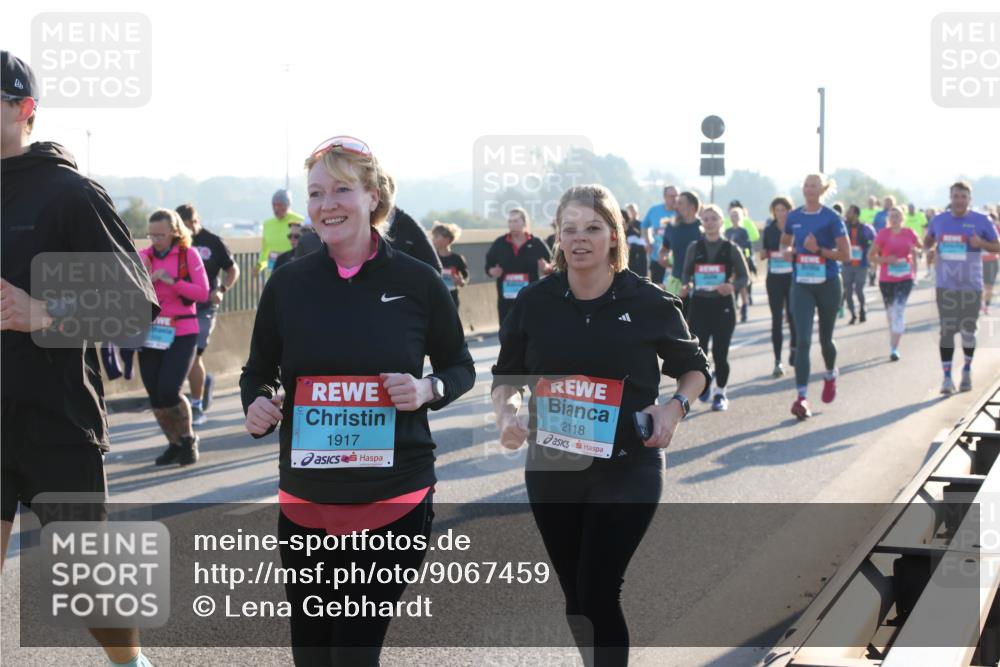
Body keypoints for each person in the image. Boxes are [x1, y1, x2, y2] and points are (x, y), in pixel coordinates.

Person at [241, 135, 475, 666]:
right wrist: (257, 402)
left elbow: (460, 367)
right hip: (307, 499)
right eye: (317, 193)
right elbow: (259, 370)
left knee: (353, 651)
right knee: (312, 651)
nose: (327, 205)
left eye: (342, 190)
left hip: (392, 497)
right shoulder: (288, 283)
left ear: (374, 197)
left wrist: (426, 390)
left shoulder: (418, 282)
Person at [491, 183, 709, 667]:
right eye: (569, 229)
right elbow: (506, 376)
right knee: (576, 598)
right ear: (558, 237)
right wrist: (505, 413)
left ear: (614, 235)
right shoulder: (535, 302)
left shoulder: (650, 301)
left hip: (627, 464)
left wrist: (673, 410)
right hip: (552, 466)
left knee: (598, 589)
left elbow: (696, 368)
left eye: (592, 228)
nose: (579, 239)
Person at [1, 50, 158, 667]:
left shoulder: (70, 194)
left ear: (24, 109)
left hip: (55, 418)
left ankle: (132, 665)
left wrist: (43, 312)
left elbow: (136, 310)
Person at [139, 209, 210, 466]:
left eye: (160, 234)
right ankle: (174, 443)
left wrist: (171, 281)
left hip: (182, 330)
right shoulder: (144, 257)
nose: (155, 239)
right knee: (155, 395)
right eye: (151, 234)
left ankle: (189, 438)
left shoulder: (187, 255)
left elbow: (203, 293)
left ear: (174, 232)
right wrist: (145, 275)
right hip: (151, 332)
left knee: (169, 390)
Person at [780, 174, 851, 419]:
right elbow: (785, 243)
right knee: (802, 341)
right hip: (802, 283)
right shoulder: (794, 216)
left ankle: (830, 373)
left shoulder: (831, 218)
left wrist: (818, 250)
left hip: (828, 282)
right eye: (806, 185)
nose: (809, 189)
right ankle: (801, 397)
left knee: (825, 339)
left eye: (814, 185)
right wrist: (788, 252)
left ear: (822, 189)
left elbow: (845, 254)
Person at [924, 181, 1000, 394]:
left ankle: (966, 369)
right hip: (945, 284)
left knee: (967, 332)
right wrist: (929, 250)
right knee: (947, 331)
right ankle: (947, 377)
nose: (959, 200)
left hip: (970, 285)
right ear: (950, 198)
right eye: (956, 196)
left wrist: (981, 244)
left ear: (969, 199)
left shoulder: (981, 220)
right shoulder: (939, 220)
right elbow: (928, 240)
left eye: (963, 197)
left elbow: (998, 246)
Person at [681, 204, 750, 411]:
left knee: (720, 353)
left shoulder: (731, 248)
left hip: (723, 306)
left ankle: (721, 393)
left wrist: (732, 286)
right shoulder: (694, 247)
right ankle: (706, 383)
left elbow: (745, 277)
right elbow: (685, 273)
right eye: (706, 219)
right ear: (702, 223)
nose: (710, 222)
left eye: (714, 219)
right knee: (700, 353)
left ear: (721, 222)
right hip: (700, 304)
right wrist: (687, 285)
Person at [176, 203, 239, 425]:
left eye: (191, 223)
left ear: (197, 220)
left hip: (205, 305)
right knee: (182, 355)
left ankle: (196, 405)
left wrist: (221, 291)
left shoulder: (212, 241)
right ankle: (204, 382)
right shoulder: (175, 244)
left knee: (193, 352)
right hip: (180, 307)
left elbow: (233, 269)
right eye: (183, 225)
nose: (189, 228)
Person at [869, 206, 922, 361]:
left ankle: (894, 348)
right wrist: (886, 260)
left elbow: (920, 248)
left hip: (905, 277)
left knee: (898, 310)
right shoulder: (883, 234)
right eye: (891, 216)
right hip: (887, 279)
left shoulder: (909, 233)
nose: (894, 218)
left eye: (897, 215)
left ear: (902, 217)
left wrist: (917, 252)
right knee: (891, 313)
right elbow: (871, 256)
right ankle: (893, 336)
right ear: (888, 219)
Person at [485, 207, 553, 325]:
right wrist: (492, 271)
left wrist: (546, 268)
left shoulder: (536, 242)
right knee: (507, 333)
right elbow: (488, 266)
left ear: (524, 222)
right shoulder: (500, 243)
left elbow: (553, 264)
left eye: (516, 221)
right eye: (510, 221)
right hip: (506, 299)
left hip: (530, 297)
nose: (512, 225)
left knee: (530, 330)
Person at [760, 196, 797, 377]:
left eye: (784, 210)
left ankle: (794, 348)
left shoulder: (795, 229)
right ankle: (777, 360)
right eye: (778, 210)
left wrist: (793, 252)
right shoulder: (769, 230)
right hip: (774, 278)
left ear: (790, 211)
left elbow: (803, 250)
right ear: (773, 212)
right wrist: (764, 253)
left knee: (792, 316)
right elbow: (763, 251)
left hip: (792, 277)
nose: (781, 213)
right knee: (776, 319)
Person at [658, 191, 705, 302]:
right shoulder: (672, 226)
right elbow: (664, 249)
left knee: (695, 319)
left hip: (700, 283)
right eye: (676, 203)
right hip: (676, 284)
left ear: (692, 207)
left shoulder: (704, 228)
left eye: (680, 203)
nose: (675, 206)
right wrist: (662, 257)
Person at [256, 189, 305, 279]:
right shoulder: (267, 224)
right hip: (272, 273)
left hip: (293, 272)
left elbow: (307, 248)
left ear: (288, 205)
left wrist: (283, 256)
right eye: (274, 205)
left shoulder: (301, 221)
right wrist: (257, 268)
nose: (276, 208)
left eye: (280, 205)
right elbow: (264, 251)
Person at [841, 205, 876, 324]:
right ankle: (853, 314)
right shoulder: (844, 227)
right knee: (848, 291)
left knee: (859, 289)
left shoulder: (866, 228)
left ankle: (862, 309)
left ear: (856, 214)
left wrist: (869, 252)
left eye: (849, 213)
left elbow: (875, 241)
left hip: (861, 264)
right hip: (847, 264)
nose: (847, 215)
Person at [723, 205, 756, 323]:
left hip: (741, 260)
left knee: (742, 286)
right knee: (730, 284)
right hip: (730, 262)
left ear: (740, 217)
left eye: (736, 215)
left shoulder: (743, 231)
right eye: (732, 216)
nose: (734, 218)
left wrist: (748, 259)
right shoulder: (727, 231)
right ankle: (732, 307)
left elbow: (748, 246)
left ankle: (744, 309)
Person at [641, 185, 679, 284]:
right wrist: (647, 241)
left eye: (676, 196)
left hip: (677, 260)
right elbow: (644, 225)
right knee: (658, 290)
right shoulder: (654, 210)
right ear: (665, 197)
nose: (675, 199)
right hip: (657, 257)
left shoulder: (681, 212)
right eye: (671, 196)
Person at [431, 221, 469, 307]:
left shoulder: (457, 259)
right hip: (435, 299)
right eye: (433, 237)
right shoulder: (431, 258)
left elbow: (465, 277)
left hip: (452, 299)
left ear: (447, 240)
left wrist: (461, 281)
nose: (433, 239)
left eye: (436, 237)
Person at [982, 211, 999, 315]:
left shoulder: (997, 231)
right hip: (979, 263)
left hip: (993, 261)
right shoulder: (979, 231)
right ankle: (981, 304)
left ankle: (986, 304)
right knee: (980, 286)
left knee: (989, 287)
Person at [624, 203, 648, 277]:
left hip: (641, 255)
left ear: (636, 211)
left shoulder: (642, 224)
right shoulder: (625, 225)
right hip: (629, 256)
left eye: (632, 210)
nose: (631, 213)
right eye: (629, 211)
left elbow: (644, 238)